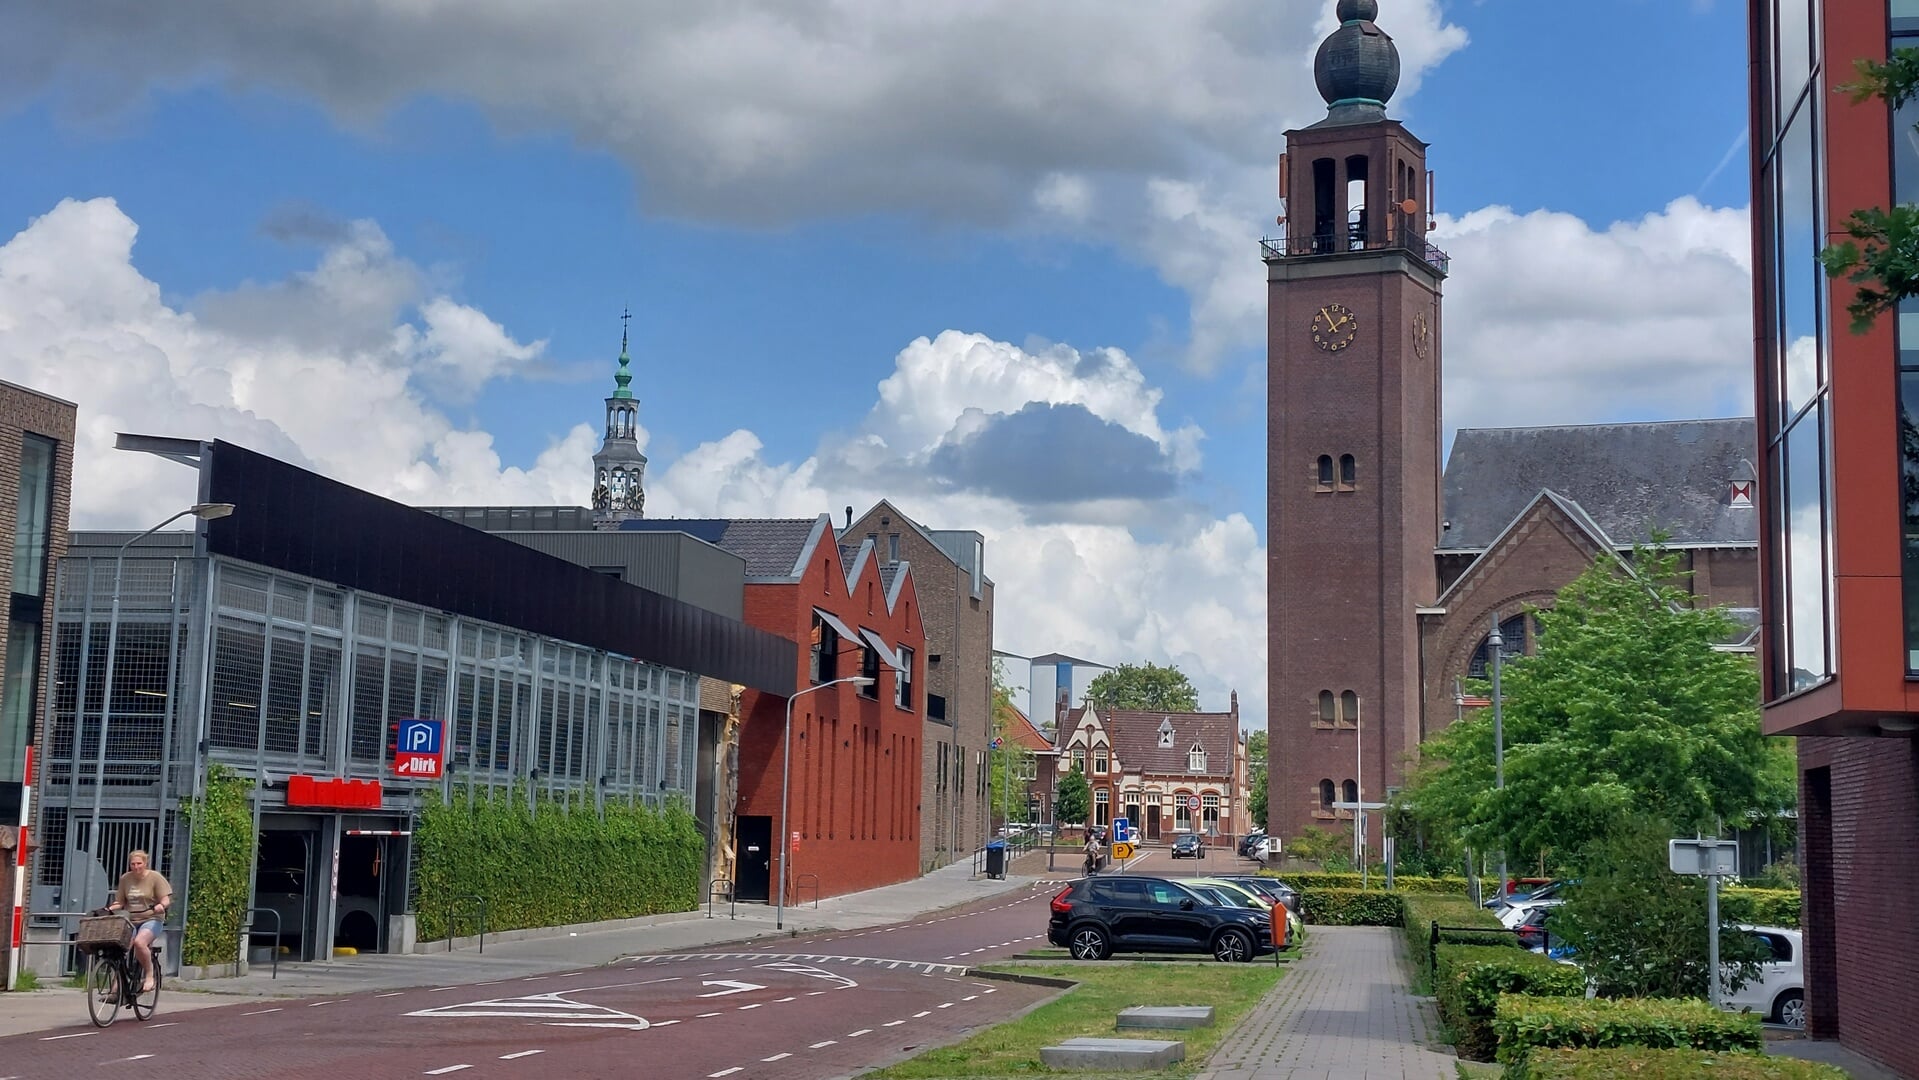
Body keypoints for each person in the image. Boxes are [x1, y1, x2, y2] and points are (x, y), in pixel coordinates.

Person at [104, 849, 170, 994]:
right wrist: (109, 908)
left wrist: (161, 905)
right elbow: (120, 902)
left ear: (145, 863)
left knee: (140, 942)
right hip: (131, 919)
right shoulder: (125, 879)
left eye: (139, 863)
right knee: (121, 947)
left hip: (151, 918)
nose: (136, 867)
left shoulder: (155, 877)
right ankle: (118, 981)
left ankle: (149, 975)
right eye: (133, 864)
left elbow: (166, 898)